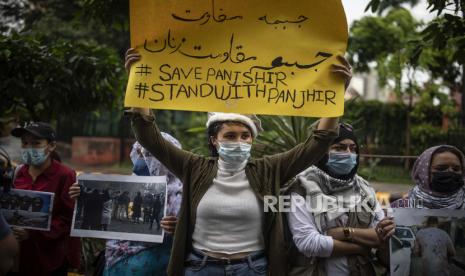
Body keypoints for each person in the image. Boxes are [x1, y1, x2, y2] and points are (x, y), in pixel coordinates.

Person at [124, 48, 352, 276]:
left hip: (253, 269)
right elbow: (148, 136)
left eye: (245, 136)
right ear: (214, 140)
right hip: (201, 269)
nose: (239, 142)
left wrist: (336, 92)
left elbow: (318, 143)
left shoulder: (269, 169)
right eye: (230, 136)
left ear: (253, 139)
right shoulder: (194, 167)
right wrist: (138, 82)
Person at [286, 123, 395, 276]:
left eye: (353, 148)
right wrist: (360, 247)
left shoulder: (364, 189)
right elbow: (308, 242)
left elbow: (380, 234)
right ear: (321, 152)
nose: (348, 154)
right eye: (339, 148)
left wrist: (345, 233)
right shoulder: (303, 187)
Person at [69, 136, 184, 276]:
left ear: (168, 158)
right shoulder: (126, 187)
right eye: (139, 153)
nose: (141, 158)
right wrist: (84, 198)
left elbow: (193, 236)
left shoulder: (181, 196)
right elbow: (104, 222)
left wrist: (179, 228)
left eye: (148, 154)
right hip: (114, 263)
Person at [10, 122, 80, 275]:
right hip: (21, 257)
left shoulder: (65, 175)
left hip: (51, 258)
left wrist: (32, 232)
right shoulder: (17, 174)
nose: (29, 148)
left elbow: (68, 219)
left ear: (51, 146)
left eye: (36, 143)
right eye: (25, 143)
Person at [391, 145, 465, 209]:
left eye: (456, 169)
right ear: (424, 172)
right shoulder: (399, 208)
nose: (450, 172)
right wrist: (382, 225)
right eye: (441, 168)